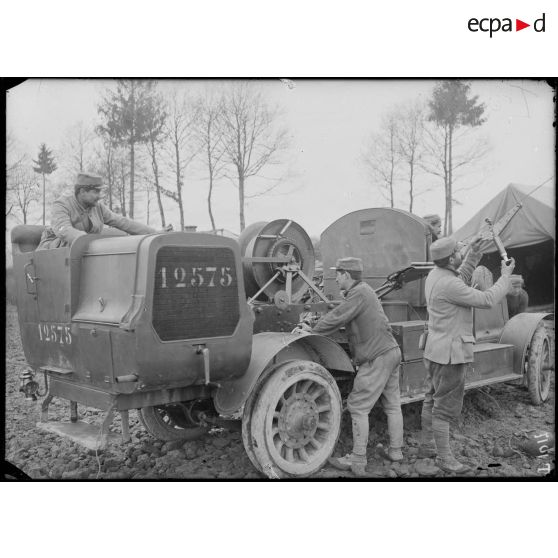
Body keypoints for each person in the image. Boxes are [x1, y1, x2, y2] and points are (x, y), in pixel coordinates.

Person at [296, 257, 403, 476]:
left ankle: (358, 460)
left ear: (346, 275)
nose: (336, 278)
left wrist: (311, 330)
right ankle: (396, 452)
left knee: (358, 407)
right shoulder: (364, 291)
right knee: (392, 405)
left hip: (377, 357)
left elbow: (338, 316)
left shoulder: (359, 293)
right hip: (391, 352)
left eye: (338, 274)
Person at [419, 236, 515, 474]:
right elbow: (488, 299)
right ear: (451, 258)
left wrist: (473, 255)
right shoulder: (450, 285)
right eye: (459, 251)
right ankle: (445, 458)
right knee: (445, 407)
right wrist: (505, 277)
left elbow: (459, 276)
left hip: (434, 350)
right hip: (451, 354)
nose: (463, 252)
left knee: (431, 397)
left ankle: (427, 446)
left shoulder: (436, 274)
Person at [37, 173, 163, 250]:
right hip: (56, 248)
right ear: (82, 192)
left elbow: (122, 222)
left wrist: (154, 233)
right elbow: (64, 231)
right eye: (96, 192)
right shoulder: (62, 204)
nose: (99, 196)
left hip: (86, 248)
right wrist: (88, 241)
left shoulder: (97, 207)